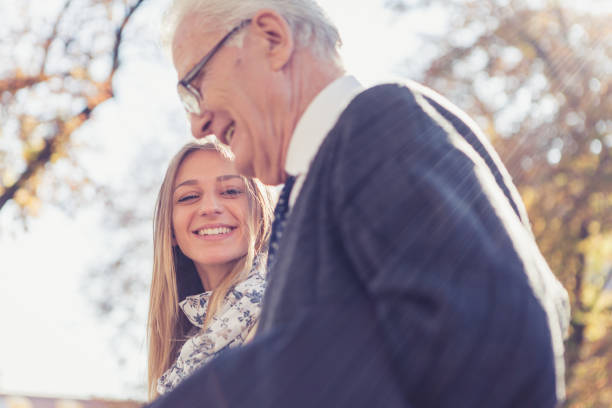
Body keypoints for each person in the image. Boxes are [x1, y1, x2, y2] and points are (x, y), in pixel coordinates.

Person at [147, 1, 571, 407]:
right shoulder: (306, 199)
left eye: (195, 87)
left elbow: (497, 336)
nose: (197, 122)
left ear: (271, 39)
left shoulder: (382, 121)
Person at [146, 139, 274, 400]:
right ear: (170, 230)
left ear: (260, 213)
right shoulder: (183, 363)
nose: (209, 208)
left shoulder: (284, 311)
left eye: (230, 191)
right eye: (190, 197)